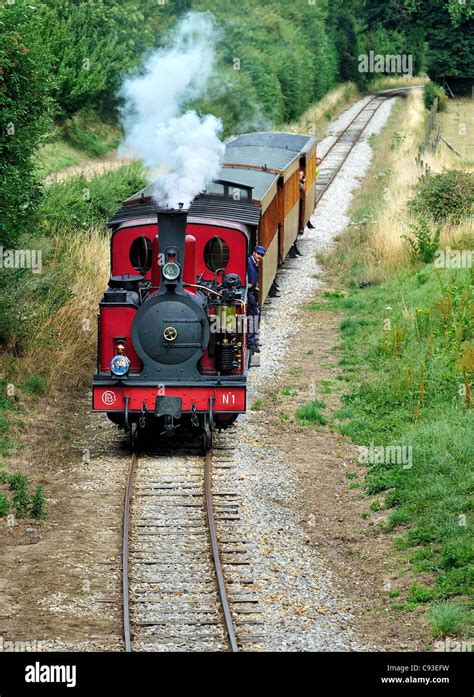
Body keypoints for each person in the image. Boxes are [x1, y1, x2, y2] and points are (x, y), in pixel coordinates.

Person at [247, 245, 266, 353]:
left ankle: (253, 339)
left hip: (252, 292)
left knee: (255, 316)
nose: (259, 256)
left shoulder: (253, 262)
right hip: (249, 293)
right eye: (258, 254)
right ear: (254, 252)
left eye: (261, 255)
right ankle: (251, 342)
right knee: (253, 316)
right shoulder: (249, 262)